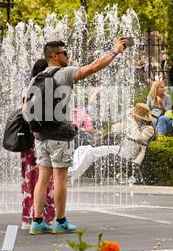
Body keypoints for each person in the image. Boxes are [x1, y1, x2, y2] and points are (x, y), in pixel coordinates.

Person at [25, 37, 128, 234]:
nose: (68, 56)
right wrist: (114, 52)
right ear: (54, 56)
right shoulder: (64, 73)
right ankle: (60, 221)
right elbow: (93, 68)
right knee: (60, 178)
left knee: (43, 178)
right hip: (59, 135)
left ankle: (37, 221)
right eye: (64, 53)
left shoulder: (36, 77)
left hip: (41, 136)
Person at [68, 103, 155, 182]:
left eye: (135, 115)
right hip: (118, 148)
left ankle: (71, 175)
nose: (133, 116)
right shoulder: (134, 124)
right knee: (82, 148)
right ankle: (70, 170)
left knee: (91, 152)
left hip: (127, 153)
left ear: (140, 117)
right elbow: (117, 128)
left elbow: (139, 137)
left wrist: (133, 124)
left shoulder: (148, 129)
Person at [20, 59, 55, 230]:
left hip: (29, 139)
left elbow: (24, 113)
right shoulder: (42, 89)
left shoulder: (28, 89)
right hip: (40, 138)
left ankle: (28, 217)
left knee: (30, 178)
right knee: (46, 178)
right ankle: (45, 217)